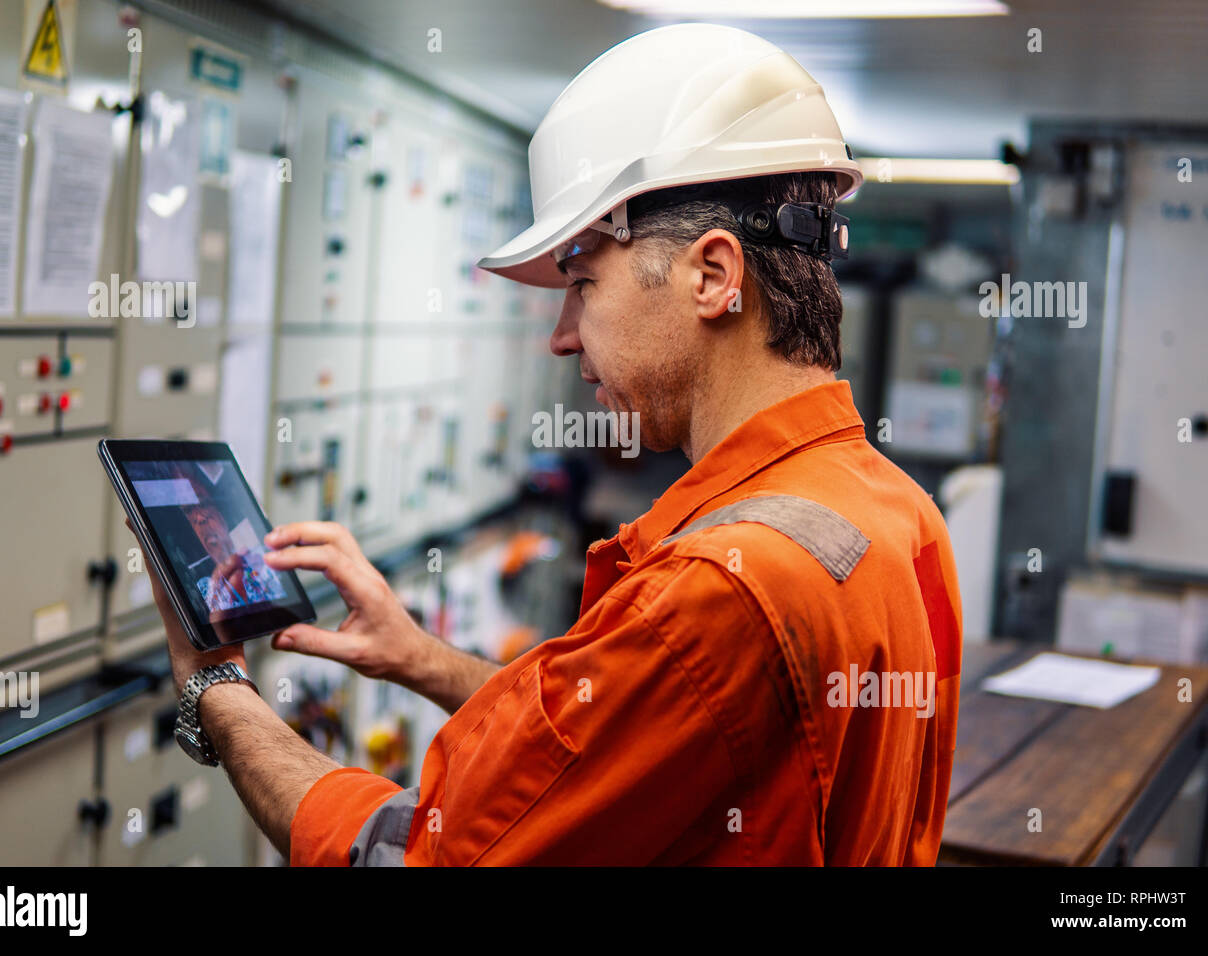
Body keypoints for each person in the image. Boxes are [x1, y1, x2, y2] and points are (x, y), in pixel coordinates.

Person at [145, 22, 962, 866]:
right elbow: (619, 748)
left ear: (713, 276)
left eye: (581, 282)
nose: (561, 337)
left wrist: (217, 688)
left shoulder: (716, 595)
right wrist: (421, 658)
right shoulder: (898, 516)